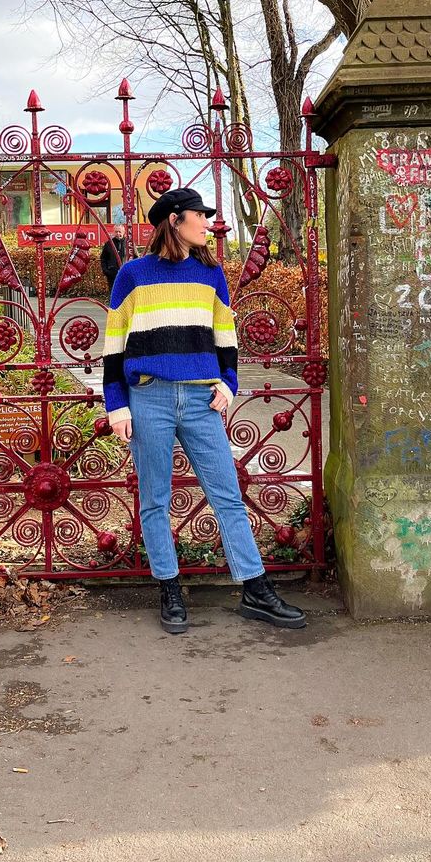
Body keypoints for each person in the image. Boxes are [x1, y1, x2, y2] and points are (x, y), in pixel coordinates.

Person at [102, 187, 306, 634]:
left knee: (227, 494)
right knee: (155, 499)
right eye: (200, 215)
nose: (208, 222)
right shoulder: (132, 275)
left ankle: (255, 588)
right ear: (174, 220)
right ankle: (170, 589)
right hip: (148, 398)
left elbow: (225, 337)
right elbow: (114, 346)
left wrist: (228, 384)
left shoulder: (210, 273)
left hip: (200, 401)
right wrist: (116, 404)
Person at [100, 223, 126, 292]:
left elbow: (136, 257)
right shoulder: (108, 244)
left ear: (123, 232)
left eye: (119, 232)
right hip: (112, 275)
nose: (118, 234)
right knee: (113, 294)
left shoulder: (129, 243)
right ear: (113, 232)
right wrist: (106, 271)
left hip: (126, 274)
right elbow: (103, 258)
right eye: (116, 232)